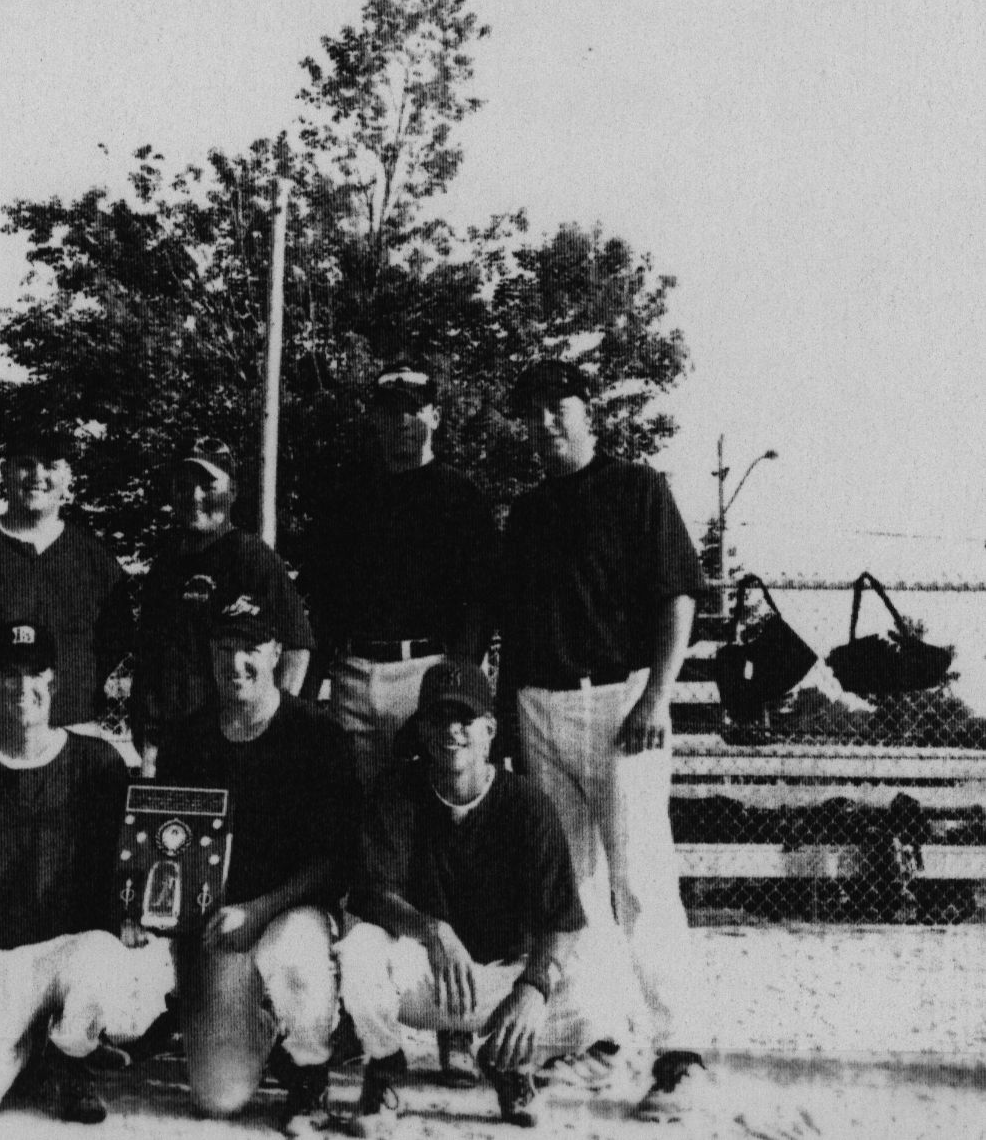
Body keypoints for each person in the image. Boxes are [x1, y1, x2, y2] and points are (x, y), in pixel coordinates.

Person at [497, 360, 708, 1124]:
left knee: (639, 879)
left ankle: (679, 1051)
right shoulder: (524, 512)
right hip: (539, 705)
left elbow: (676, 592)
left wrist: (657, 692)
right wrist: (512, 725)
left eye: (558, 408)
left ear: (589, 413)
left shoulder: (635, 487)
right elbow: (512, 632)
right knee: (571, 884)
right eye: (532, 413)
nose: (544, 423)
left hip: (620, 700)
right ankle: (598, 1040)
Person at [0, 618, 174, 1127]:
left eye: (35, 673)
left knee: (103, 963)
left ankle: (72, 1061)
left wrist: (132, 914)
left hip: (73, 949)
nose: (22, 686)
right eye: (9, 673)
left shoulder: (98, 763)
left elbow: (131, 863)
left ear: (53, 680)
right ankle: (31, 1046)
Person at [338, 660, 611, 1132]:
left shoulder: (526, 803)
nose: (452, 731)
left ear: (489, 730)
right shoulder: (397, 789)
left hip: (504, 980)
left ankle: (512, 1065)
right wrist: (432, 930)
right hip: (431, 977)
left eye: (465, 719)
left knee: (596, 986)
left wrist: (533, 988)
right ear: (422, 730)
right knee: (359, 950)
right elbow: (375, 893)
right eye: (439, 718)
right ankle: (383, 1069)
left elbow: (563, 921)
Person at [153, 588, 360, 1132]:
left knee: (293, 950)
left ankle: (310, 1071)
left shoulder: (317, 734)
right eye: (223, 647)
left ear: (275, 652)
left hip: (291, 917)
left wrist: (260, 908)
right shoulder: (187, 737)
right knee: (218, 1096)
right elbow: (165, 852)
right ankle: (256, 1022)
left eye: (251, 647)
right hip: (221, 927)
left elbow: (332, 861)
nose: (236, 662)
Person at [306, 362, 497, 793]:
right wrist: (309, 687)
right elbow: (325, 601)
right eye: (391, 411)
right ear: (375, 418)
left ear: (435, 416)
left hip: (426, 671)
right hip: (354, 673)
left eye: (413, 410)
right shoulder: (348, 496)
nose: (402, 422)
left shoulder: (460, 496)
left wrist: (455, 683)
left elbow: (481, 603)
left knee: (428, 805)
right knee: (355, 809)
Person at [0, 424, 133, 741]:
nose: (37, 476)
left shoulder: (93, 558)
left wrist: (76, 697)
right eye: (26, 464)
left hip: (70, 727)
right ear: (4, 471)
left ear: (68, 475)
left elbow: (116, 640)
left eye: (51, 465)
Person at [130, 434, 314, 769]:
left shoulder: (251, 556)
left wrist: (273, 729)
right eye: (184, 486)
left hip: (228, 741)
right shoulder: (166, 561)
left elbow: (296, 646)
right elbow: (149, 655)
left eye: (209, 485)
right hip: (168, 741)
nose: (195, 496)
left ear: (232, 492)